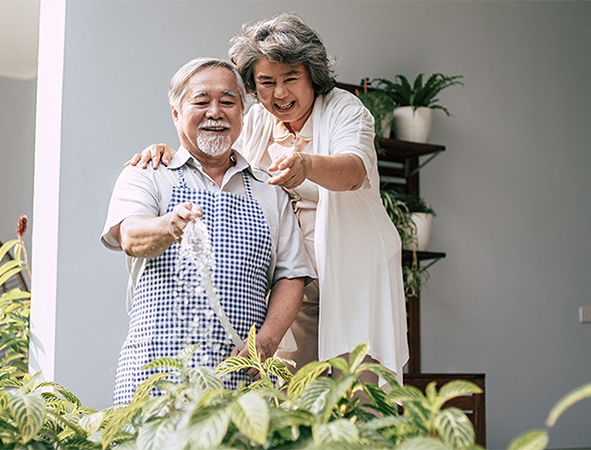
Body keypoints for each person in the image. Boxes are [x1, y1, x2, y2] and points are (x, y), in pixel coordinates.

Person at [130, 13, 408, 389]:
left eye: (290, 78)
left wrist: (306, 164)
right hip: (293, 277)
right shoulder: (257, 121)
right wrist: (170, 149)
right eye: (266, 82)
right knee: (293, 391)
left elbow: (354, 171)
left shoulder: (344, 108)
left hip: (350, 268)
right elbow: (217, 157)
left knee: (357, 387)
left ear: (312, 74)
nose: (279, 93)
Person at [101, 57, 315, 405]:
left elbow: (291, 276)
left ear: (242, 114)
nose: (215, 112)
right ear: (176, 112)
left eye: (228, 102)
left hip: (240, 381)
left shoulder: (270, 191)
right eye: (201, 102)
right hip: (156, 377)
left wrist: (268, 340)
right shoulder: (148, 173)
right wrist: (169, 225)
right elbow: (130, 235)